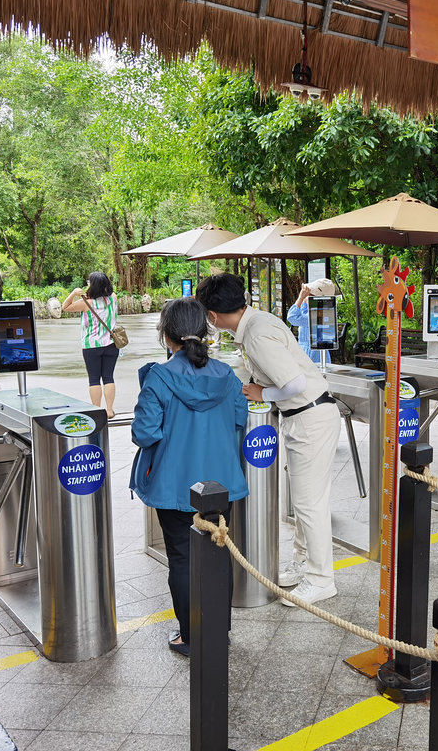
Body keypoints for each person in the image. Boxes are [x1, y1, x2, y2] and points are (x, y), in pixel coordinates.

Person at [197, 273, 340, 606]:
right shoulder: (256, 322)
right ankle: (305, 562)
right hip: (303, 417)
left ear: (213, 316)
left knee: (308, 502)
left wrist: (262, 391)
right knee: (306, 498)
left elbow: (293, 385)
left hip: (309, 416)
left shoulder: (258, 335)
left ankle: (321, 579)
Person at [130, 297, 248, 656]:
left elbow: (144, 432)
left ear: (167, 335)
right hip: (219, 485)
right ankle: (218, 632)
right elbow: (239, 421)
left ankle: (190, 636)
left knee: (181, 558)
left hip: (174, 484)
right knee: (218, 552)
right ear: (205, 330)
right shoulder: (227, 375)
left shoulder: (159, 376)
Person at [62, 272, 120, 418]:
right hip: (111, 344)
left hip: (91, 346)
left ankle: (96, 411)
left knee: (94, 379)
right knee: (108, 377)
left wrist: (73, 293)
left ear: (93, 286)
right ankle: (109, 410)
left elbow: (65, 307)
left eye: (89, 282)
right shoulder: (113, 298)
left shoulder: (85, 304)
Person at [286, 279, 339, 363]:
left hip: (311, 353)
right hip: (314, 352)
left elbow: (292, 317)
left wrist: (300, 298)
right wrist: (304, 301)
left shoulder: (315, 316)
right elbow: (304, 312)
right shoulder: (321, 311)